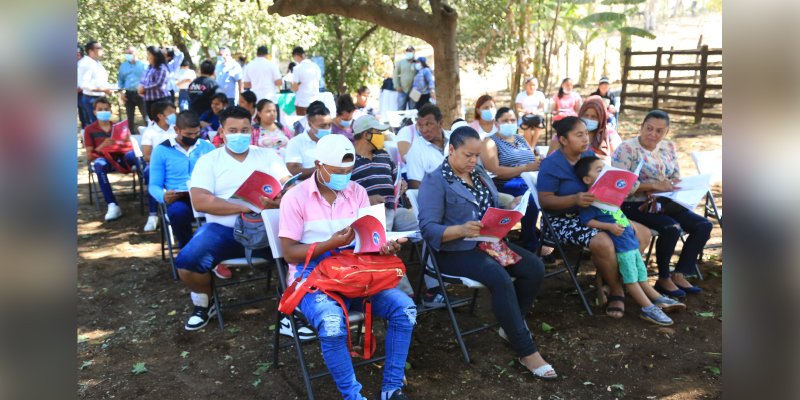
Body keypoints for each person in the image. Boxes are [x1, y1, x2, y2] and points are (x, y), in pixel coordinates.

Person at [279, 133, 415, 400]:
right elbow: (289, 254)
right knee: (331, 324)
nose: (346, 177)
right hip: (311, 276)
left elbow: (368, 242)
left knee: (405, 309)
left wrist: (383, 245)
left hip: (355, 272)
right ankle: (353, 396)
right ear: (319, 165)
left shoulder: (357, 192)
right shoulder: (295, 198)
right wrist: (329, 244)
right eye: (338, 171)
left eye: (349, 171)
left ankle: (392, 387)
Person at [417, 126, 556, 380]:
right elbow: (427, 229)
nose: (473, 161)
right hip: (453, 250)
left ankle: (510, 325)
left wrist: (509, 204)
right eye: (468, 155)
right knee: (499, 277)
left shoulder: (478, 172)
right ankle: (526, 351)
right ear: (451, 150)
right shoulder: (435, 180)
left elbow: (489, 202)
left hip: (487, 242)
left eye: (477, 155)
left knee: (534, 268)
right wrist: (459, 230)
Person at [176, 106, 291, 330]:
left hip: (267, 227)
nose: (240, 135)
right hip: (222, 231)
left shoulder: (267, 156)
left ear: (252, 130)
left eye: (245, 129)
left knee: (301, 255)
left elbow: (289, 187)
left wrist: (279, 200)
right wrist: (243, 206)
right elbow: (200, 201)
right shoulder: (209, 160)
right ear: (222, 131)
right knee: (187, 263)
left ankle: (291, 310)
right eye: (233, 130)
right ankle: (203, 302)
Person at [536, 116, 651, 319]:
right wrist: (574, 198)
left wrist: (622, 186)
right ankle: (617, 291)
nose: (585, 139)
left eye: (585, 133)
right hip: (562, 219)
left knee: (642, 233)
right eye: (578, 135)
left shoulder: (588, 155)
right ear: (563, 139)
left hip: (599, 211)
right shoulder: (551, 164)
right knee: (603, 242)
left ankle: (610, 280)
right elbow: (545, 201)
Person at [574, 156, 686, 325]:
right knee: (631, 280)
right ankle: (648, 309)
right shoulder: (589, 200)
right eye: (599, 170)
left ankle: (658, 299)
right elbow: (587, 221)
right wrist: (609, 227)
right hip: (622, 248)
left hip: (631, 244)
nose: (604, 172)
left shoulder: (609, 195)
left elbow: (617, 214)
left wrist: (628, 223)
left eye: (605, 169)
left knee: (641, 276)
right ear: (587, 179)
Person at [612, 110, 713, 297]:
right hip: (634, 205)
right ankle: (663, 278)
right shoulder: (626, 149)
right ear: (641, 126)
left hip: (664, 202)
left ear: (666, 133)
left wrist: (673, 187)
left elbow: (675, 176)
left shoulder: (668, 147)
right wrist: (651, 186)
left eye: (659, 131)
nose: (653, 134)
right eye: (649, 128)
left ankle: (680, 273)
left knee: (703, 225)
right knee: (671, 228)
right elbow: (619, 185)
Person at [148, 110, 215, 248]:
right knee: (178, 213)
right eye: (188, 134)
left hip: (207, 194)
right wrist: (164, 196)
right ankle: (188, 251)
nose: (193, 137)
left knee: (228, 210)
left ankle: (217, 251)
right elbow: (154, 185)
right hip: (180, 198)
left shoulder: (207, 147)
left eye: (197, 133)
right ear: (176, 129)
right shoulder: (161, 150)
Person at [480, 107, 541, 251]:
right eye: (505, 120)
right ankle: (531, 243)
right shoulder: (490, 142)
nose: (510, 123)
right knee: (530, 198)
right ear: (496, 123)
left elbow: (531, 159)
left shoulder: (520, 139)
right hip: (507, 183)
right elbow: (495, 171)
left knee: (554, 191)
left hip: (529, 179)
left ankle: (547, 235)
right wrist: (525, 168)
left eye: (513, 120)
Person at [351, 115, 417, 232]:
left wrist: (401, 185)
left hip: (394, 209)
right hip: (366, 212)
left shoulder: (384, 155)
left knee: (419, 224)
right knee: (380, 230)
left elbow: (397, 178)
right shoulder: (349, 160)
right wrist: (367, 200)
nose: (382, 136)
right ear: (366, 135)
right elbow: (343, 195)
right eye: (378, 132)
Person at [82, 97, 138, 221]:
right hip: (104, 160)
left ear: (111, 111)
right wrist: (103, 145)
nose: (103, 112)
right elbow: (90, 156)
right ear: (94, 112)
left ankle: (151, 197)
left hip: (122, 158)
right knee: (98, 164)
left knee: (135, 156)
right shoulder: (89, 130)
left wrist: (125, 140)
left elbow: (131, 146)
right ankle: (112, 204)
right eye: (100, 109)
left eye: (106, 109)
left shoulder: (118, 127)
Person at [546, 95, 621, 160]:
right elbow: (549, 159)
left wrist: (593, 158)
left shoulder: (610, 134)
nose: (589, 119)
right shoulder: (567, 131)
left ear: (601, 118)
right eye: (586, 115)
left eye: (594, 117)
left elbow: (618, 160)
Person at [140, 101, 178, 231]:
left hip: (177, 165)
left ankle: (172, 210)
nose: (174, 115)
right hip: (157, 166)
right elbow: (146, 156)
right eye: (171, 113)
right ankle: (153, 214)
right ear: (160, 116)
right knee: (151, 174)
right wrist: (163, 161)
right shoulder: (150, 132)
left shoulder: (177, 129)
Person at [405, 104, 449, 189]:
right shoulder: (416, 150)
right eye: (420, 125)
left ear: (440, 123)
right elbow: (415, 186)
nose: (424, 130)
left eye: (429, 124)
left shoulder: (454, 139)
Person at [284, 101, 332, 179]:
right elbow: (294, 171)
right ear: (310, 124)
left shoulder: (335, 141)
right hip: (306, 188)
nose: (327, 128)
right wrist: (321, 169)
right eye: (322, 126)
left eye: (329, 124)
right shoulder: (295, 143)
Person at [78, 40, 113, 126]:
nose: (101, 50)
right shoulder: (86, 63)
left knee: (103, 125)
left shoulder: (97, 63)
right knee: (95, 126)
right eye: (98, 48)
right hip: (91, 99)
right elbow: (84, 85)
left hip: (100, 98)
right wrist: (103, 89)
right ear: (91, 51)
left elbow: (100, 81)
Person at [117, 46, 149, 128]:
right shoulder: (123, 66)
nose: (128, 55)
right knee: (129, 117)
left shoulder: (143, 65)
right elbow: (120, 80)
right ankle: (130, 135)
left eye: (130, 53)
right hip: (128, 94)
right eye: (127, 53)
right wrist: (121, 93)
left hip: (141, 94)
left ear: (136, 53)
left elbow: (148, 80)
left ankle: (150, 132)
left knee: (146, 115)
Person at [138, 45, 172, 120]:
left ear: (155, 56)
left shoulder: (161, 68)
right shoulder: (149, 68)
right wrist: (140, 87)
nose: (147, 57)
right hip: (149, 100)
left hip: (160, 101)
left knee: (162, 122)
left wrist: (144, 88)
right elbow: (143, 80)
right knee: (153, 122)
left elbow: (159, 84)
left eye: (149, 55)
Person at [291, 46, 322, 116]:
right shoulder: (316, 67)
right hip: (315, 101)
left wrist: (299, 83)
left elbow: (295, 88)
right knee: (314, 124)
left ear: (296, 56)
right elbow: (319, 81)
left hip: (302, 102)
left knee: (302, 125)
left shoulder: (297, 68)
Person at [514, 77, 546, 145]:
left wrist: (535, 111)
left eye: (534, 85)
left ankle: (532, 146)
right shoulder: (520, 95)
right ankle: (529, 147)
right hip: (524, 117)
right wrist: (525, 111)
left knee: (539, 126)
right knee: (526, 126)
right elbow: (518, 108)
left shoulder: (540, 94)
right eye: (530, 85)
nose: (532, 87)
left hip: (536, 116)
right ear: (526, 85)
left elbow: (542, 108)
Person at [393, 45, 417, 110]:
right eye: (408, 51)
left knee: (413, 109)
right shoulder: (400, 63)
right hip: (402, 89)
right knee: (400, 109)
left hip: (415, 90)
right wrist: (397, 86)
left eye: (411, 51)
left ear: (414, 52)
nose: (409, 53)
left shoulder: (417, 63)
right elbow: (395, 75)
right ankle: (401, 120)